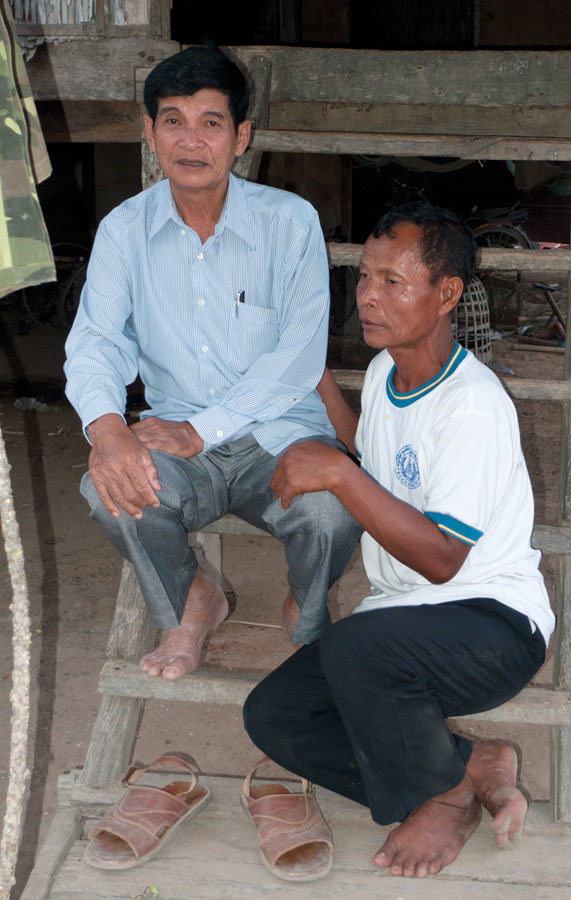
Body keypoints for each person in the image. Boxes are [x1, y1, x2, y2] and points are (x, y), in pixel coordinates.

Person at [242, 201, 555, 880]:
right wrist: (315, 382)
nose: (368, 296)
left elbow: (443, 561)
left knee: (357, 647)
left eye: (392, 281)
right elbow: (372, 459)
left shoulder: (472, 404)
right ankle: (468, 765)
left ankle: (442, 798)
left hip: (490, 625)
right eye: (364, 276)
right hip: (401, 623)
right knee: (274, 715)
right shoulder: (388, 371)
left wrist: (333, 474)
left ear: (446, 295)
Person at [64, 45, 362, 681]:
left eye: (211, 122)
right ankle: (192, 600)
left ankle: (306, 610)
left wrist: (201, 430)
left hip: (278, 437)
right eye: (172, 120)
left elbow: (299, 355)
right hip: (180, 442)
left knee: (332, 511)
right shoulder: (124, 230)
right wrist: (108, 429)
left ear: (241, 137)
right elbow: (96, 340)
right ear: (149, 134)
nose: (190, 140)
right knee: (108, 487)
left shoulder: (291, 222)